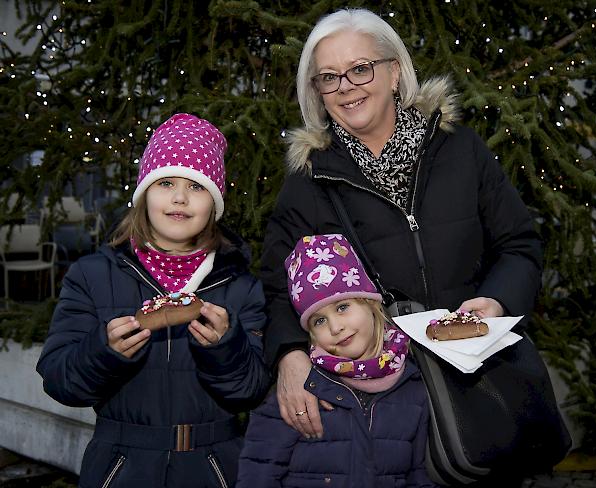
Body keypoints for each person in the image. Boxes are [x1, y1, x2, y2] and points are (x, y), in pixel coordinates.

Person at [260, 6, 542, 451]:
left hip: (478, 381)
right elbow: (278, 286)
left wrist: (498, 300)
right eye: (329, 77)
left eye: (360, 69)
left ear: (394, 73)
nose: (346, 87)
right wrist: (290, 353)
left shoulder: (461, 151)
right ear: (317, 91)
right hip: (375, 403)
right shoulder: (308, 183)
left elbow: (519, 245)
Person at [36, 113, 270, 488]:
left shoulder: (240, 285)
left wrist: (226, 347)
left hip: (214, 468)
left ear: (214, 202)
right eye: (165, 182)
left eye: (196, 186)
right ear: (144, 194)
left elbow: (251, 390)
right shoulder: (93, 276)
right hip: (120, 468)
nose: (179, 197)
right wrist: (104, 352)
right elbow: (60, 381)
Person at [238, 234, 436, 487]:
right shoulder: (301, 390)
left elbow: (418, 475)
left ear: (370, 304)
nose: (335, 327)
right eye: (319, 321)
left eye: (342, 307)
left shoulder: (412, 386)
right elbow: (258, 473)